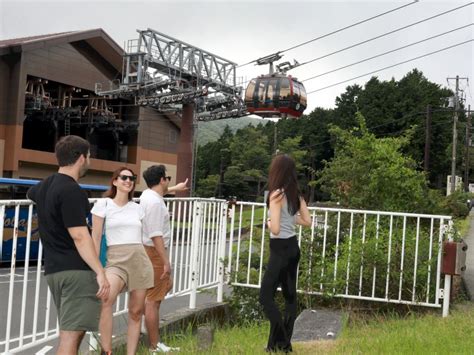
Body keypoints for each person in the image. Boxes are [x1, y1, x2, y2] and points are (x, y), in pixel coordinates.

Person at [27, 135, 110, 355]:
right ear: (82, 158)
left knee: (70, 333)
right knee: (70, 336)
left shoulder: (44, 186)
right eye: (89, 156)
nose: (89, 160)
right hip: (76, 272)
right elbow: (80, 236)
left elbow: (30, 193)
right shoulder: (72, 191)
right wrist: (99, 271)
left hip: (54, 270)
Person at [91, 167, 154, 355]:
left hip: (139, 260)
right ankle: (106, 350)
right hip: (115, 260)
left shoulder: (138, 208)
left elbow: (145, 237)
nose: (128, 181)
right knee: (106, 299)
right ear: (115, 181)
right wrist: (97, 269)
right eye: (124, 177)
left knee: (135, 312)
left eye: (132, 178)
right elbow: (95, 237)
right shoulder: (103, 204)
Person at [259, 154, 311, 353]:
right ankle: (276, 346)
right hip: (293, 248)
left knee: (265, 297)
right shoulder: (295, 194)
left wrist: (268, 222)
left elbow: (276, 229)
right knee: (290, 298)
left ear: (277, 171)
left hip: (279, 249)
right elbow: (307, 221)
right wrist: (290, 220)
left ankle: (282, 340)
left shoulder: (275, 195)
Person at [140, 165, 187, 353]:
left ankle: (147, 323)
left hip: (148, 250)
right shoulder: (156, 204)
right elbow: (155, 235)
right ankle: (154, 345)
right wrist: (166, 261)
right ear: (161, 180)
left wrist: (177, 188)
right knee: (153, 300)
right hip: (155, 251)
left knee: (166, 285)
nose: (168, 181)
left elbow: (163, 191)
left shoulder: (147, 195)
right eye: (167, 178)